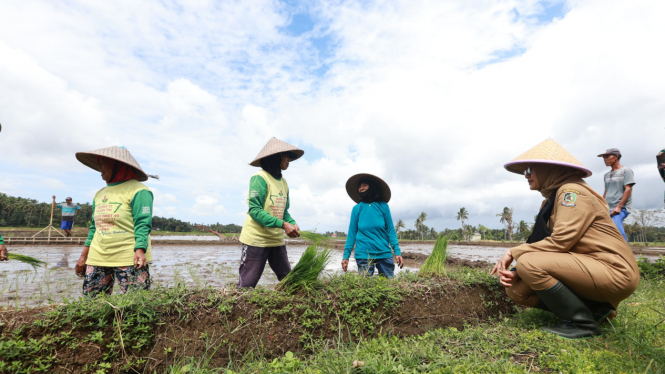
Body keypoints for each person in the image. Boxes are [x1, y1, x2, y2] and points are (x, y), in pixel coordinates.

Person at [491, 139, 639, 340]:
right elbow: (541, 240)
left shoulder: (572, 192)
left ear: (549, 169)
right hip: (588, 267)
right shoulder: (552, 198)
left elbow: (560, 242)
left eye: (530, 169)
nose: (526, 175)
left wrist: (513, 252)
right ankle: (596, 311)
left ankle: (583, 324)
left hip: (613, 271)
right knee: (517, 290)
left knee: (528, 263)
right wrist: (518, 271)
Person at [74, 146, 158, 296]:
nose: (100, 168)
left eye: (103, 163)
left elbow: (142, 223)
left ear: (116, 165)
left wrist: (140, 250)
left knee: (137, 304)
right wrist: (84, 256)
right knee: (93, 304)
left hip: (129, 257)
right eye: (98, 164)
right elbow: (94, 228)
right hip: (98, 257)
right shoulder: (99, 194)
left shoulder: (139, 191)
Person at [237, 137, 303, 288]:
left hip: (276, 240)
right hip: (256, 240)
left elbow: (284, 211)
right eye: (286, 156)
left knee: (289, 282)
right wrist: (282, 224)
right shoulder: (260, 178)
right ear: (276, 156)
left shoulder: (283, 182)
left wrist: (291, 223)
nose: (288, 160)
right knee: (246, 285)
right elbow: (255, 210)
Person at [341, 173, 403, 278]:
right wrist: (346, 256)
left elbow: (391, 231)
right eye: (360, 186)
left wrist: (397, 252)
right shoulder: (357, 209)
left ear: (372, 187)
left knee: (388, 286)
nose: (361, 188)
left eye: (364, 185)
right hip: (363, 255)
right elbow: (352, 234)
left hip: (383, 252)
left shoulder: (383, 206)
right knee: (365, 288)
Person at [598, 148, 635, 243]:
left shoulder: (626, 171)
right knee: (603, 231)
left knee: (617, 230)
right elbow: (606, 192)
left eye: (607, 156)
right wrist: (602, 205)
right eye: (604, 157)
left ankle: (626, 255)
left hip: (621, 208)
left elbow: (628, 189)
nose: (605, 159)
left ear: (616, 157)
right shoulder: (606, 175)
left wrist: (619, 206)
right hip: (608, 208)